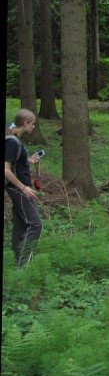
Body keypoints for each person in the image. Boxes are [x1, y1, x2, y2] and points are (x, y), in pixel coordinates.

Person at [5, 110, 44, 268]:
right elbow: (6, 170)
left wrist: (29, 159)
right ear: (25, 123)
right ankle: (22, 265)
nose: (34, 126)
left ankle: (16, 263)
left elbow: (14, 161)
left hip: (19, 187)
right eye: (33, 123)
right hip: (19, 188)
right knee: (36, 225)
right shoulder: (13, 141)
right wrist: (23, 188)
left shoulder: (15, 140)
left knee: (21, 224)